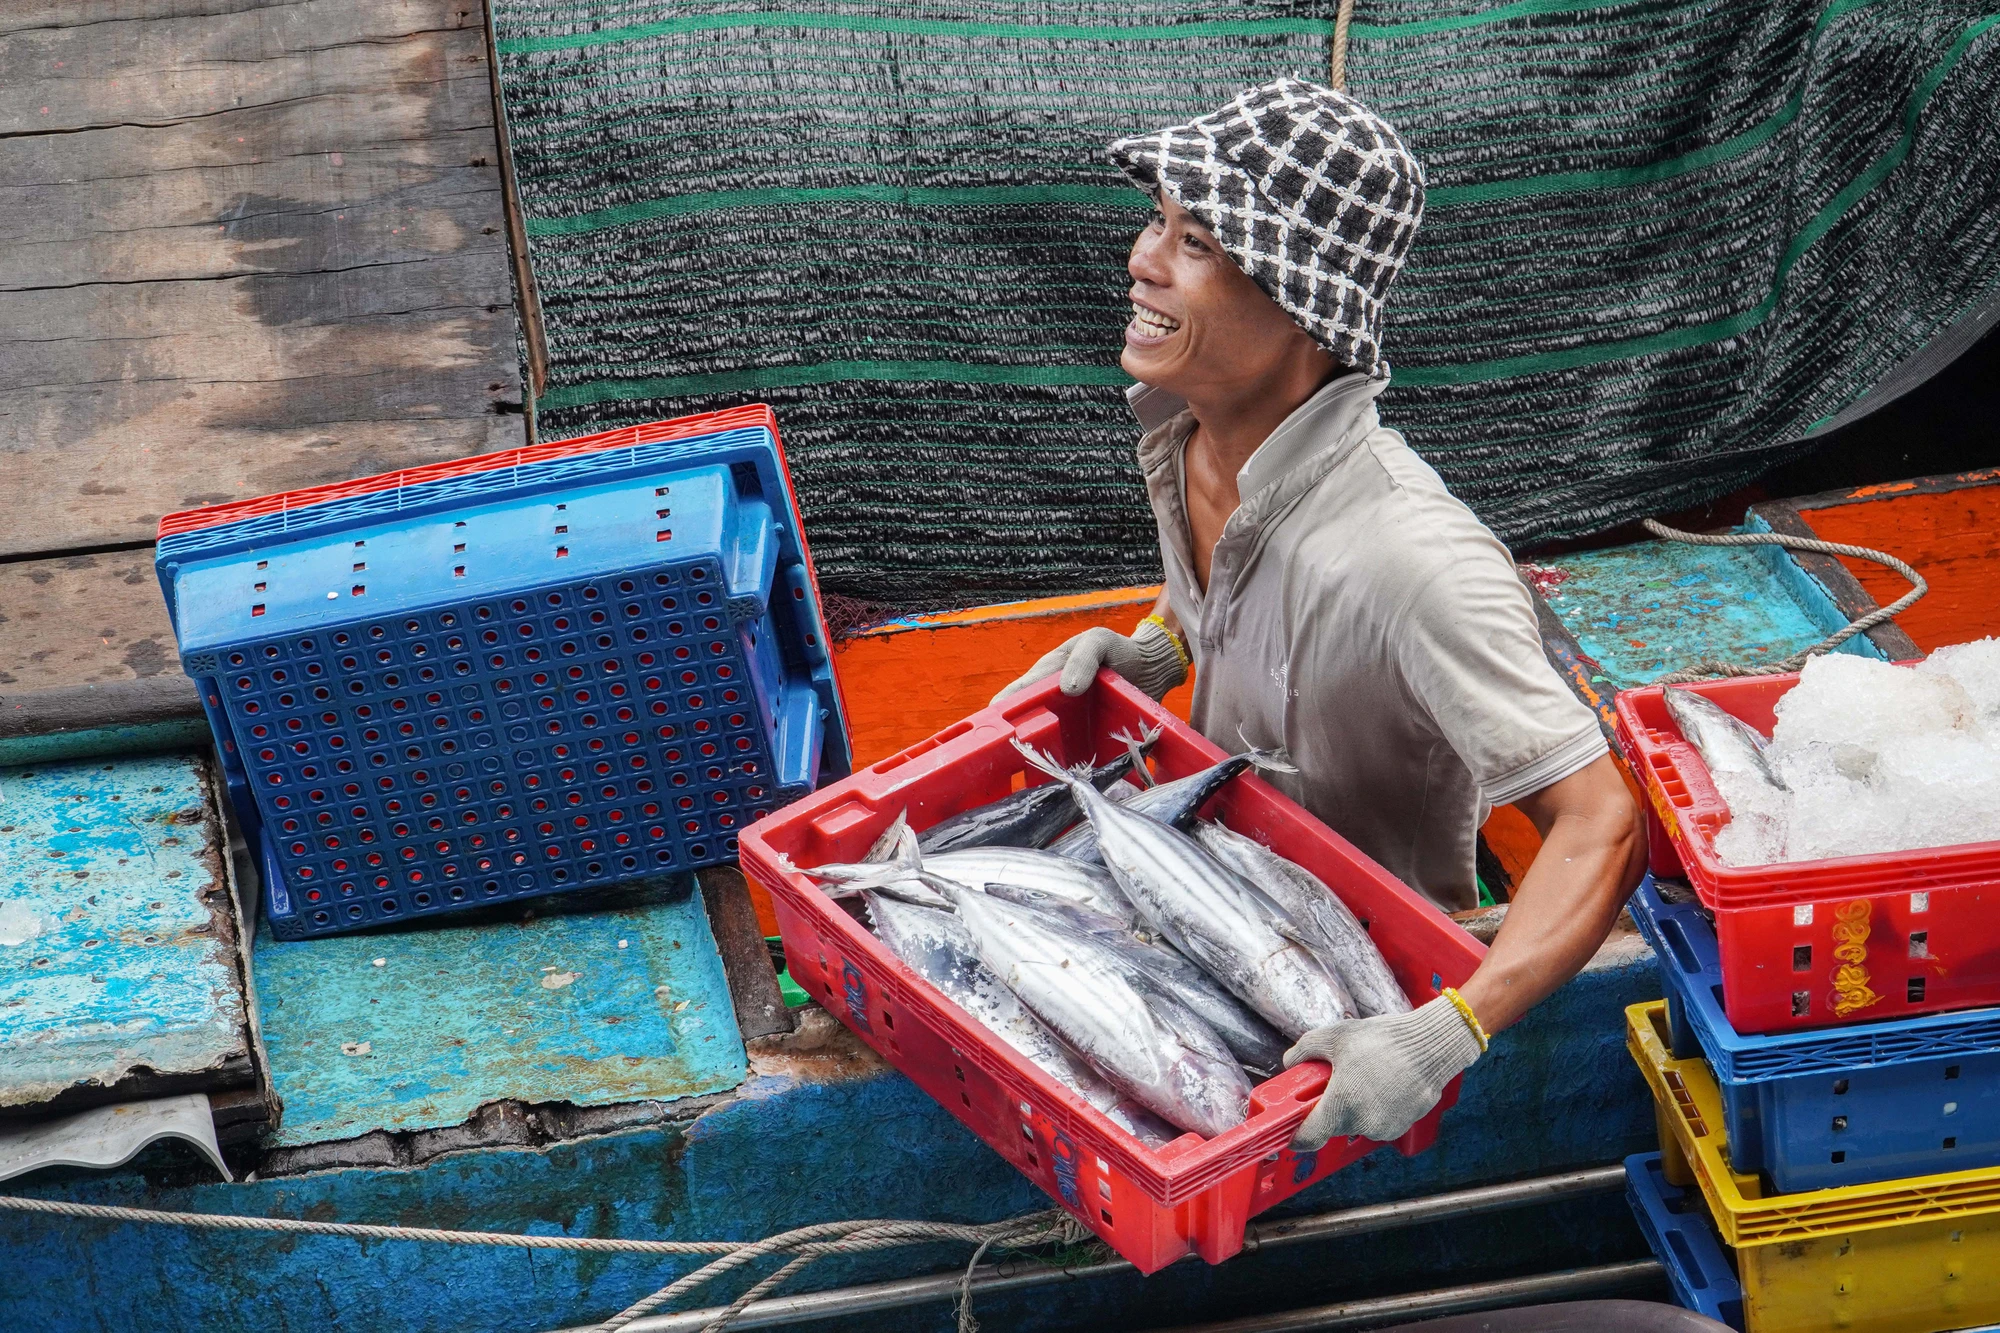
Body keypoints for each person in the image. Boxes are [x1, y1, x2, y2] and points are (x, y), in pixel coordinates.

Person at [994, 78, 1645, 1152]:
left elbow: (1600, 822)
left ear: (1302, 304)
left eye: (1194, 243)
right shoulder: (1191, 432)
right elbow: (1217, 598)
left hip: (1356, 979)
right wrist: (1155, 649)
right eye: (1156, 221)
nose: (1140, 260)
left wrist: (1446, 1033)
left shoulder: (1416, 564)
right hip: (1220, 872)